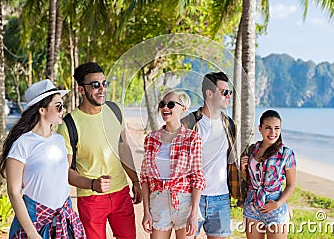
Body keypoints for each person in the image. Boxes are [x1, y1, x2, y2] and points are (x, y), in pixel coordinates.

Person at [57, 62, 141, 239]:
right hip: (91, 198)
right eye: (95, 85)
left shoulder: (114, 111)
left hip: (121, 193)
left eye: (104, 83)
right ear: (81, 90)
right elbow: (66, 172)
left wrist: (135, 181)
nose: (102, 89)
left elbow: (124, 148)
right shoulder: (69, 125)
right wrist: (93, 184)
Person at [0, 79, 86, 239]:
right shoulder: (22, 144)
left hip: (63, 219)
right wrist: (32, 233)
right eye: (58, 106)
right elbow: (13, 191)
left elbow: (62, 176)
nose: (63, 110)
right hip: (34, 223)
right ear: (42, 110)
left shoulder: (59, 140)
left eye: (63, 105)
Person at [181, 72, 240, 239]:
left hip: (221, 198)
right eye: (224, 92)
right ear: (209, 93)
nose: (229, 96)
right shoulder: (188, 123)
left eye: (230, 92)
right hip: (190, 198)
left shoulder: (230, 125)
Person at [140, 89, 205, 238]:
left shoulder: (192, 138)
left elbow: (197, 178)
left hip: (184, 202)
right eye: (162, 104)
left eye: (170, 104)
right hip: (158, 200)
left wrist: (193, 214)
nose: (165, 108)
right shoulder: (151, 138)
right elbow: (144, 178)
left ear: (183, 108)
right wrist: (146, 212)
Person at [240, 110, 297, 239]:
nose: (273, 133)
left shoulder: (286, 153)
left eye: (277, 128)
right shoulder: (252, 150)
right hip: (252, 206)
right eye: (268, 128)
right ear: (260, 129)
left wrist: (277, 204)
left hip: (275, 206)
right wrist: (243, 170)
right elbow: (251, 182)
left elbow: (291, 184)